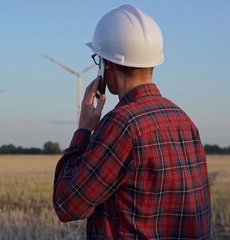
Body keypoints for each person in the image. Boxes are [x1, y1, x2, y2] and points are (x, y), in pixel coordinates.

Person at [53, 4, 211, 239]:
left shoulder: (122, 124)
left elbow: (68, 204)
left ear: (108, 65)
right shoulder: (183, 120)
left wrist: (83, 131)